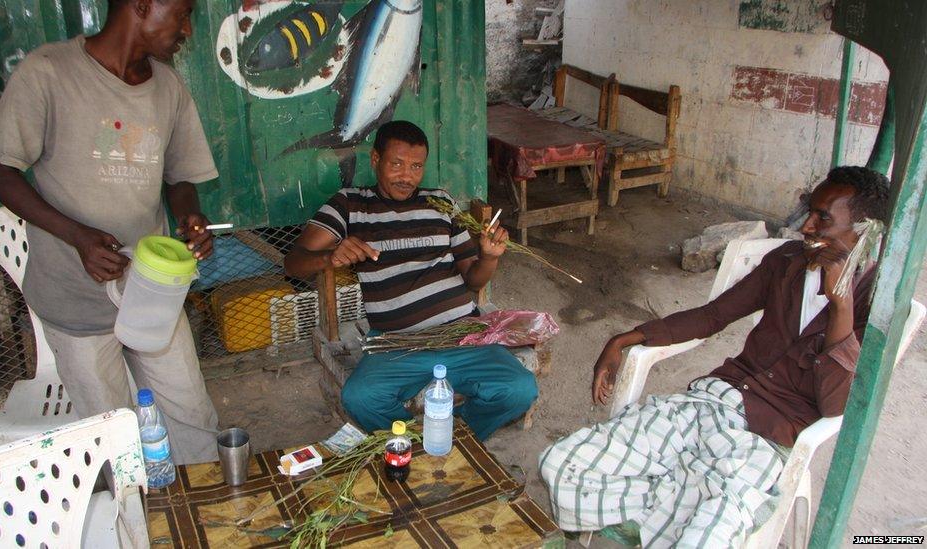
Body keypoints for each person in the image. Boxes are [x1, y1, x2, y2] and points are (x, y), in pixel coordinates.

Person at [539, 167, 891, 547]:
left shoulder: (877, 303)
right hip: (714, 401)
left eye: (823, 218)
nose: (806, 226)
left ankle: (660, 515)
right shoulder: (787, 261)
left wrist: (841, 307)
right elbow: (714, 315)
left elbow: (837, 406)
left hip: (770, 437)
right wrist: (623, 340)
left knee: (703, 538)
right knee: (562, 463)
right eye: (810, 211)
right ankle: (660, 516)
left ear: (865, 230)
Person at [0, 0, 219, 464]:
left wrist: (189, 218)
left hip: (151, 292)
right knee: (115, 442)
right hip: (76, 299)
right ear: (143, 5)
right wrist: (78, 237)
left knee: (193, 419)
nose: (188, 29)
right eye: (183, 13)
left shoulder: (168, 88)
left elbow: (179, 177)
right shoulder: (49, 72)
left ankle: (207, 519)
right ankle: (136, 530)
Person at [285, 120, 537, 440]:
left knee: (519, 389)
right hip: (396, 342)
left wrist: (488, 257)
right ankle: (419, 442)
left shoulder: (440, 203)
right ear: (375, 160)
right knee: (360, 398)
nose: (408, 176)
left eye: (416, 166)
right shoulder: (349, 205)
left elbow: (474, 281)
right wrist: (328, 258)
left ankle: (458, 438)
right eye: (397, 164)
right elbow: (293, 263)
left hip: (460, 334)